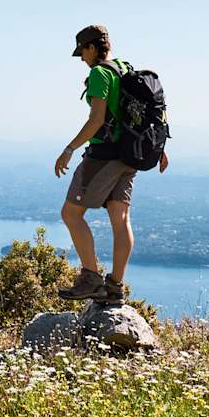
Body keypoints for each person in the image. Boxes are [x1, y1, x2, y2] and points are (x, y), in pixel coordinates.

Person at [54, 24, 168, 304]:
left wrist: (69, 149)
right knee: (121, 219)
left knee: (71, 214)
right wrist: (160, 148)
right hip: (131, 155)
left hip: (104, 155)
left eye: (82, 52)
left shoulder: (99, 73)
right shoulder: (124, 68)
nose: (82, 58)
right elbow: (149, 113)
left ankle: (91, 278)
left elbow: (96, 120)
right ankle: (115, 286)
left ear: (92, 47)